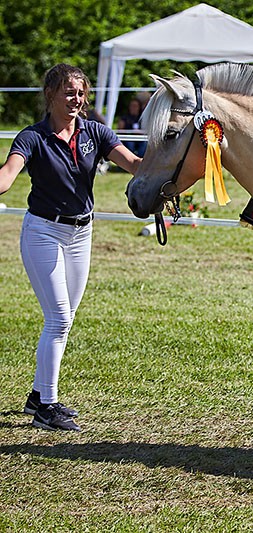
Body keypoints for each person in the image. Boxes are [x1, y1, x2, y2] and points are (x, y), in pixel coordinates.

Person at [0, 63, 141, 432]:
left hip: (82, 234)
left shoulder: (96, 132)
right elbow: (7, 176)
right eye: (69, 92)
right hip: (42, 232)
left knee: (64, 320)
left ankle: (37, 396)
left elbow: (135, 165)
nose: (76, 99)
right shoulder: (32, 137)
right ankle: (47, 407)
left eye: (81, 93)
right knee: (59, 318)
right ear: (51, 95)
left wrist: (183, 163)